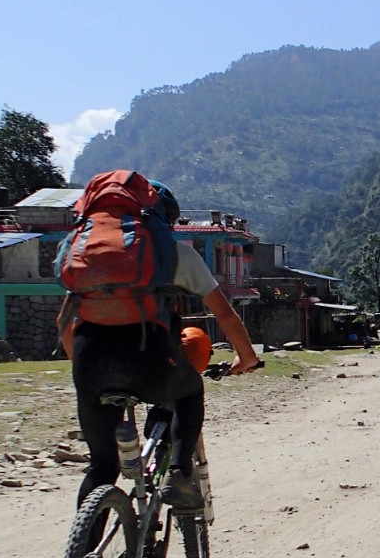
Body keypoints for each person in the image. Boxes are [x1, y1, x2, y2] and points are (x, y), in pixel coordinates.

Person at [59, 181, 261, 510]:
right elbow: (223, 311)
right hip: (149, 360)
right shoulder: (174, 253)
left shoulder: (89, 254)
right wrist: (247, 356)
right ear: (164, 219)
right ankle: (180, 474)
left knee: (101, 467)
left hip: (90, 362)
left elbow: (63, 325)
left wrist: (83, 372)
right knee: (189, 391)